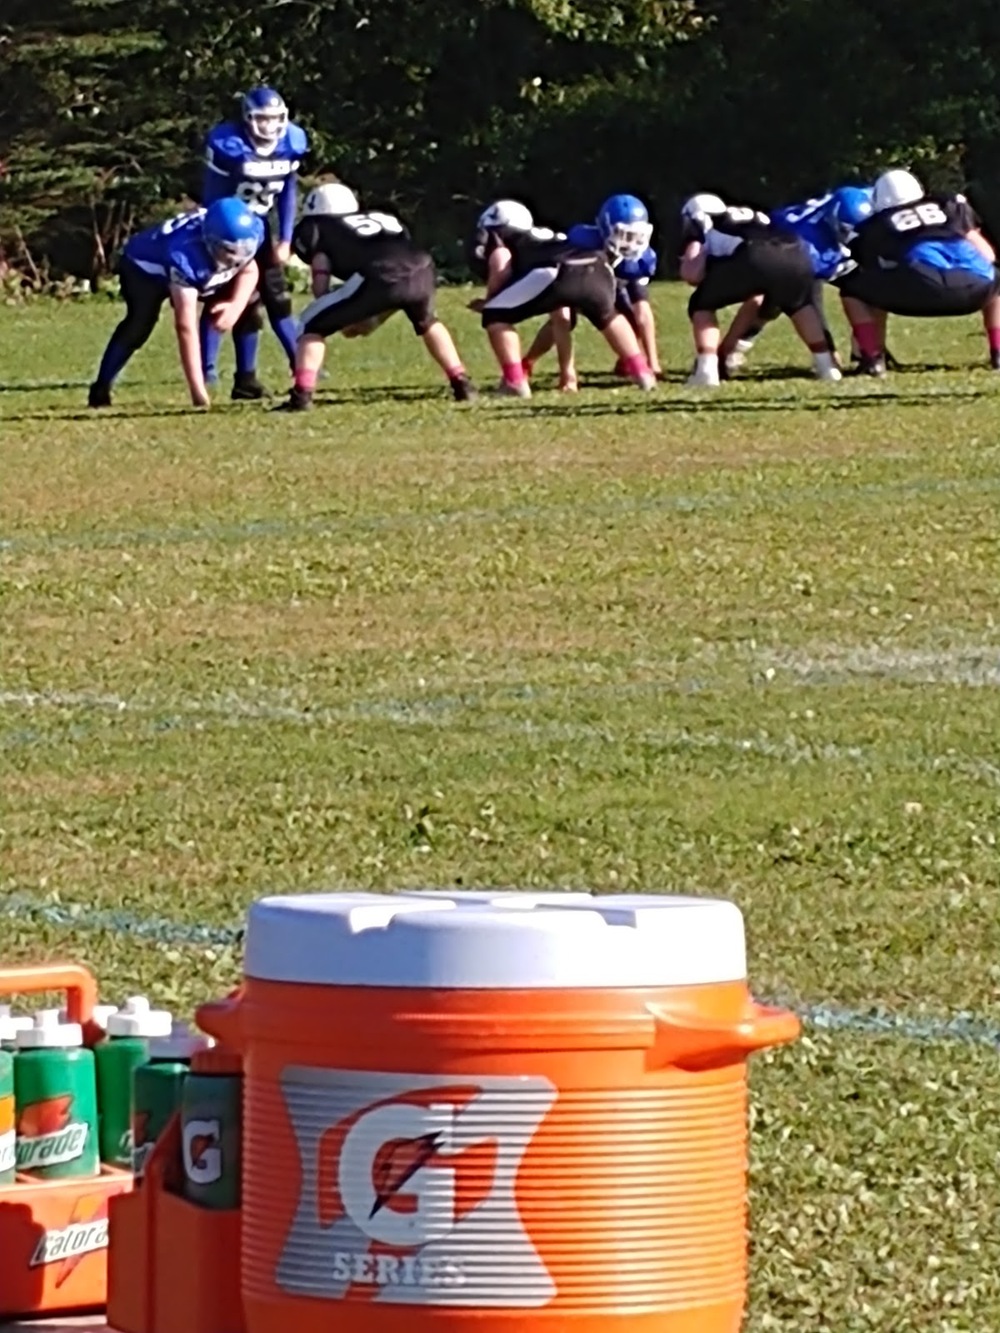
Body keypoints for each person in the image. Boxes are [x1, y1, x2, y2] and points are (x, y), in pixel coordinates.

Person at [278, 180, 476, 412]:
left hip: (380, 274)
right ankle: (461, 382)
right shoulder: (382, 218)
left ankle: (301, 395)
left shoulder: (318, 226)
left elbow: (322, 267)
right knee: (428, 321)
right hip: (422, 267)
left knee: (311, 323)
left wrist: (324, 305)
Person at [469, 199, 656, 398]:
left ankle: (515, 381)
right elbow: (561, 315)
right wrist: (567, 373)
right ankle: (643, 373)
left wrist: (490, 301)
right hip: (596, 264)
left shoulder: (505, 237)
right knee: (609, 316)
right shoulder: (549, 236)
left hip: (557, 271)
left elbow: (501, 261)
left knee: (495, 317)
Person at [88, 198, 263, 409]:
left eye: (244, 249)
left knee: (251, 301)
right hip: (143, 268)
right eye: (229, 250)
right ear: (210, 241)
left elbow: (250, 268)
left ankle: (246, 378)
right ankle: (102, 386)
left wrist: (235, 306)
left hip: (186, 261)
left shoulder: (247, 235)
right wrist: (199, 395)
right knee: (140, 322)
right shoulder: (184, 255)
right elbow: (185, 327)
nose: (237, 258)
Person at [199, 86, 309, 398]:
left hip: (260, 229)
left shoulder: (291, 142)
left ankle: (297, 362)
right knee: (227, 298)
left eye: (275, 118)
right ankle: (208, 370)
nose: (269, 126)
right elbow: (213, 195)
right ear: (248, 118)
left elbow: (288, 190)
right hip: (226, 228)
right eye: (262, 118)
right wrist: (218, 236)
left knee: (276, 298)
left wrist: (285, 237)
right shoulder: (228, 143)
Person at [837, 168, 1000, 376]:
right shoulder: (948, 204)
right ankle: (998, 353)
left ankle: (872, 358)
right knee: (995, 279)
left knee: (853, 288)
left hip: (923, 289)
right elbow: (987, 255)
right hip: (977, 289)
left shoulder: (876, 224)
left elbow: (871, 266)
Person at [678, 193, 842, 387]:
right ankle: (826, 367)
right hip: (797, 252)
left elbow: (692, 274)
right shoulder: (753, 216)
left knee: (701, 304)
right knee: (798, 304)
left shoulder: (704, 221)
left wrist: (700, 254)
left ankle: (706, 369)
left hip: (755, 254)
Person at [720, 186, 874, 374]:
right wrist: (829, 349)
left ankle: (870, 353)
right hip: (780, 246)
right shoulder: (811, 244)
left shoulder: (863, 197)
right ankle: (725, 353)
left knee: (860, 289)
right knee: (776, 302)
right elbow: (810, 300)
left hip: (805, 241)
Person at [523, 193, 661, 384]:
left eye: (637, 236)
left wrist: (654, 364)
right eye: (625, 236)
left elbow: (643, 312)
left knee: (631, 319)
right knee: (563, 319)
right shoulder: (581, 243)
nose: (631, 244)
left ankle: (632, 363)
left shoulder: (640, 259)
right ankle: (530, 364)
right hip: (581, 281)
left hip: (610, 288)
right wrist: (567, 374)